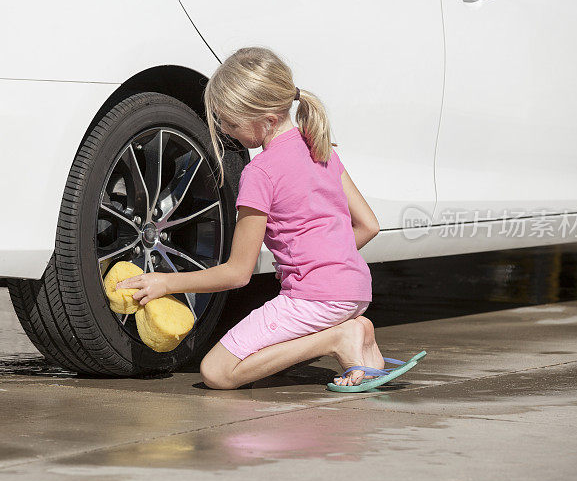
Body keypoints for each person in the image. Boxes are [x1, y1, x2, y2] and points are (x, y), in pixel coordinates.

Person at [115, 46, 382, 389]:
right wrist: (327, 259)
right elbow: (369, 225)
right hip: (355, 290)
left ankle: (338, 339)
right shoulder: (319, 147)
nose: (226, 129)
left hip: (314, 298)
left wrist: (165, 282)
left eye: (230, 121)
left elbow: (238, 273)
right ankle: (356, 329)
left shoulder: (260, 173)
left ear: (267, 119)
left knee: (217, 372)